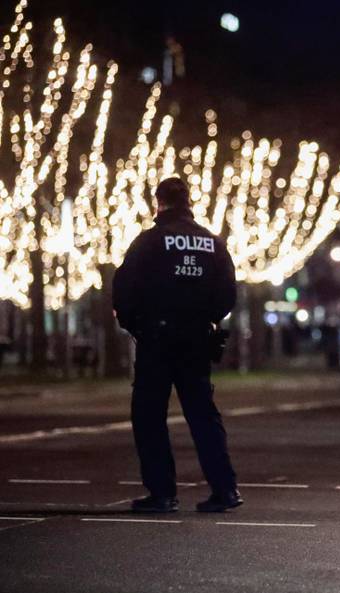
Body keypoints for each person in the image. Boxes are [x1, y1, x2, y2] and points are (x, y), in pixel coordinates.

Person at [113, 177, 242, 513]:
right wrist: (208, 319)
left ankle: (162, 493)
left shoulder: (150, 241)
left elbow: (124, 287)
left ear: (159, 202)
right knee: (203, 414)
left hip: (157, 337)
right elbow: (228, 292)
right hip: (197, 338)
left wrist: (135, 325)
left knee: (149, 416)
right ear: (189, 201)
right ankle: (225, 489)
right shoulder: (212, 243)